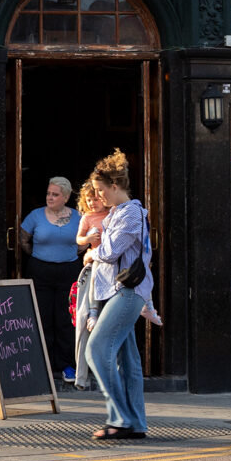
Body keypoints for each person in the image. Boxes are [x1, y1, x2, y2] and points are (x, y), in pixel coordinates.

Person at [81, 149, 151, 440]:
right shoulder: (116, 214)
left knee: (95, 351)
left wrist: (90, 254)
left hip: (127, 292)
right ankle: (135, 423)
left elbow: (108, 254)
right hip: (118, 293)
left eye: (101, 191)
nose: (98, 197)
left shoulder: (131, 213)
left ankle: (120, 419)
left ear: (115, 186)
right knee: (127, 360)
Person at [19, 176, 81, 383]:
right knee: (41, 317)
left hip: (69, 271)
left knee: (66, 319)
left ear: (65, 197)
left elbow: (82, 244)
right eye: (48, 193)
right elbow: (23, 240)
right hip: (40, 270)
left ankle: (67, 365)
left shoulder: (77, 217)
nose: (50, 197)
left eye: (55, 194)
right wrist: (40, 255)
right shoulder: (35, 215)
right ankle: (42, 365)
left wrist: (67, 253)